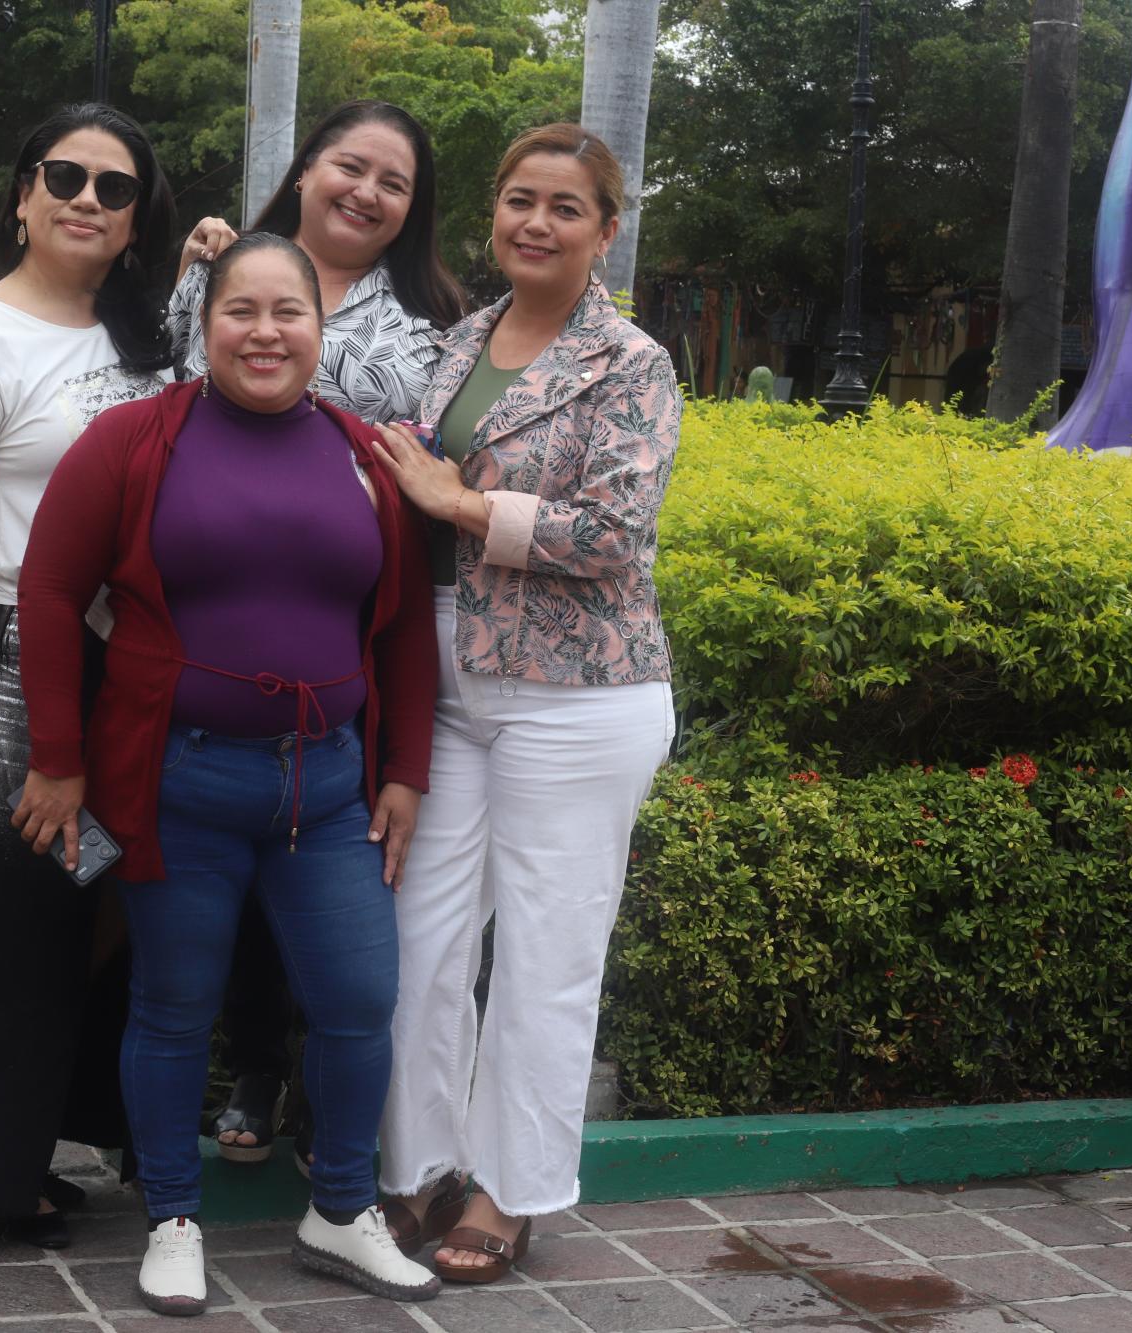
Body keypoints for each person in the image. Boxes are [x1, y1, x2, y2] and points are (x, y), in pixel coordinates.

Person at [16, 233, 440, 1315]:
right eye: (239, 311)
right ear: (204, 326)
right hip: (181, 785)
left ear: (318, 328)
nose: (264, 332)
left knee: (358, 1000)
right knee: (173, 1004)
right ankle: (171, 1216)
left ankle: (339, 1210)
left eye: (287, 312)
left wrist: (404, 768)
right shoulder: (132, 440)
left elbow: (400, 626)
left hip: (328, 789)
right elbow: (49, 593)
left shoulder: (364, 455)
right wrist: (58, 760)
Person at [369, 123, 682, 1282]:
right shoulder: (459, 340)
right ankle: (418, 1166)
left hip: (578, 695)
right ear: (492, 213)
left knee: (546, 953)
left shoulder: (631, 363)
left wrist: (457, 505)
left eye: (563, 207)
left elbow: (612, 534)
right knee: (419, 936)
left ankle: (510, 1190)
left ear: (604, 231)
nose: (535, 223)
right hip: (447, 679)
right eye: (517, 200)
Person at [168, 99, 467, 1170]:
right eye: (350, 166)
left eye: (394, 182)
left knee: (333, 852)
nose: (366, 192)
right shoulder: (217, 273)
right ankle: (249, 1062)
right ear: (304, 169)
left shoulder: (435, 327)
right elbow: (159, 405)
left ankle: (316, 1083)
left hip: (351, 619)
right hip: (204, 612)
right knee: (220, 856)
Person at [0, 102, 176, 1249]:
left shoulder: (146, 338)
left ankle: (55, 1127)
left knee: (108, 900)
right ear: (21, 196)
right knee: (8, 913)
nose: (85, 200)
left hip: (139, 651)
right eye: (62, 176)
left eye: (114, 188)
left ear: (135, 222)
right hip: (21, 643)